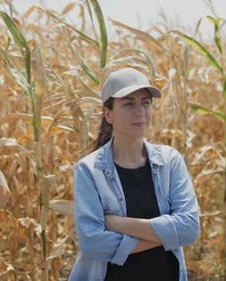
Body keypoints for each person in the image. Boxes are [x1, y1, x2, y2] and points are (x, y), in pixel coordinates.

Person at [68, 68, 200, 281]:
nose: (140, 111)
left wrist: (115, 223)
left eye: (145, 102)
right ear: (108, 114)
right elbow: (92, 243)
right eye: (128, 104)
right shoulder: (89, 170)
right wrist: (167, 236)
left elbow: (190, 229)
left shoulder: (170, 161)